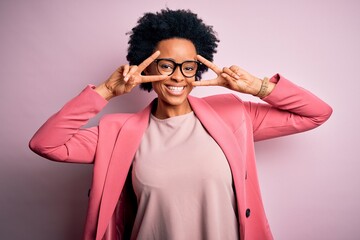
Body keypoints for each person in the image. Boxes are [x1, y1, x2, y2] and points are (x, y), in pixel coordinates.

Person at [29, 8, 332, 240]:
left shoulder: (232, 115)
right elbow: (46, 144)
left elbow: (316, 113)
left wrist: (256, 87)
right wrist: (106, 91)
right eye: (166, 65)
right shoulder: (118, 133)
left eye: (188, 67)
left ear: (196, 70)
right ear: (147, 65)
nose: (177, 76)